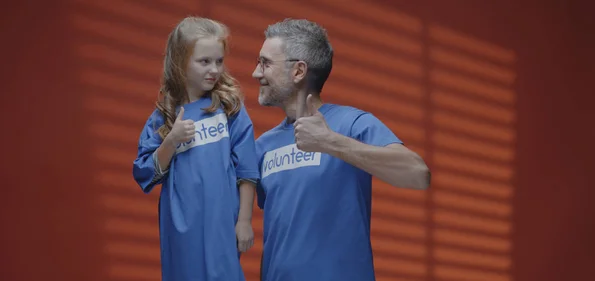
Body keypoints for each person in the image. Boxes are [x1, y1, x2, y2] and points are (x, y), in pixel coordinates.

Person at [251, 18, 431, 281]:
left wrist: (330, 143)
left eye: (265, 63)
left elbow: (417, 174)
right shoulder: (262, 146)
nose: (256, 73)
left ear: (298, 71)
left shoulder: (352, 123)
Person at [132, 17, 259, 281]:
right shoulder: (164, 117)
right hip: (181, 226)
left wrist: (244, 220)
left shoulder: (229, 109)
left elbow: (247, 168)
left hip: (223, 221)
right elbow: (144, 172)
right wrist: (171, 141)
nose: (214, 69)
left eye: (219, 61)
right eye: (204, 61)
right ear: (181, 62)